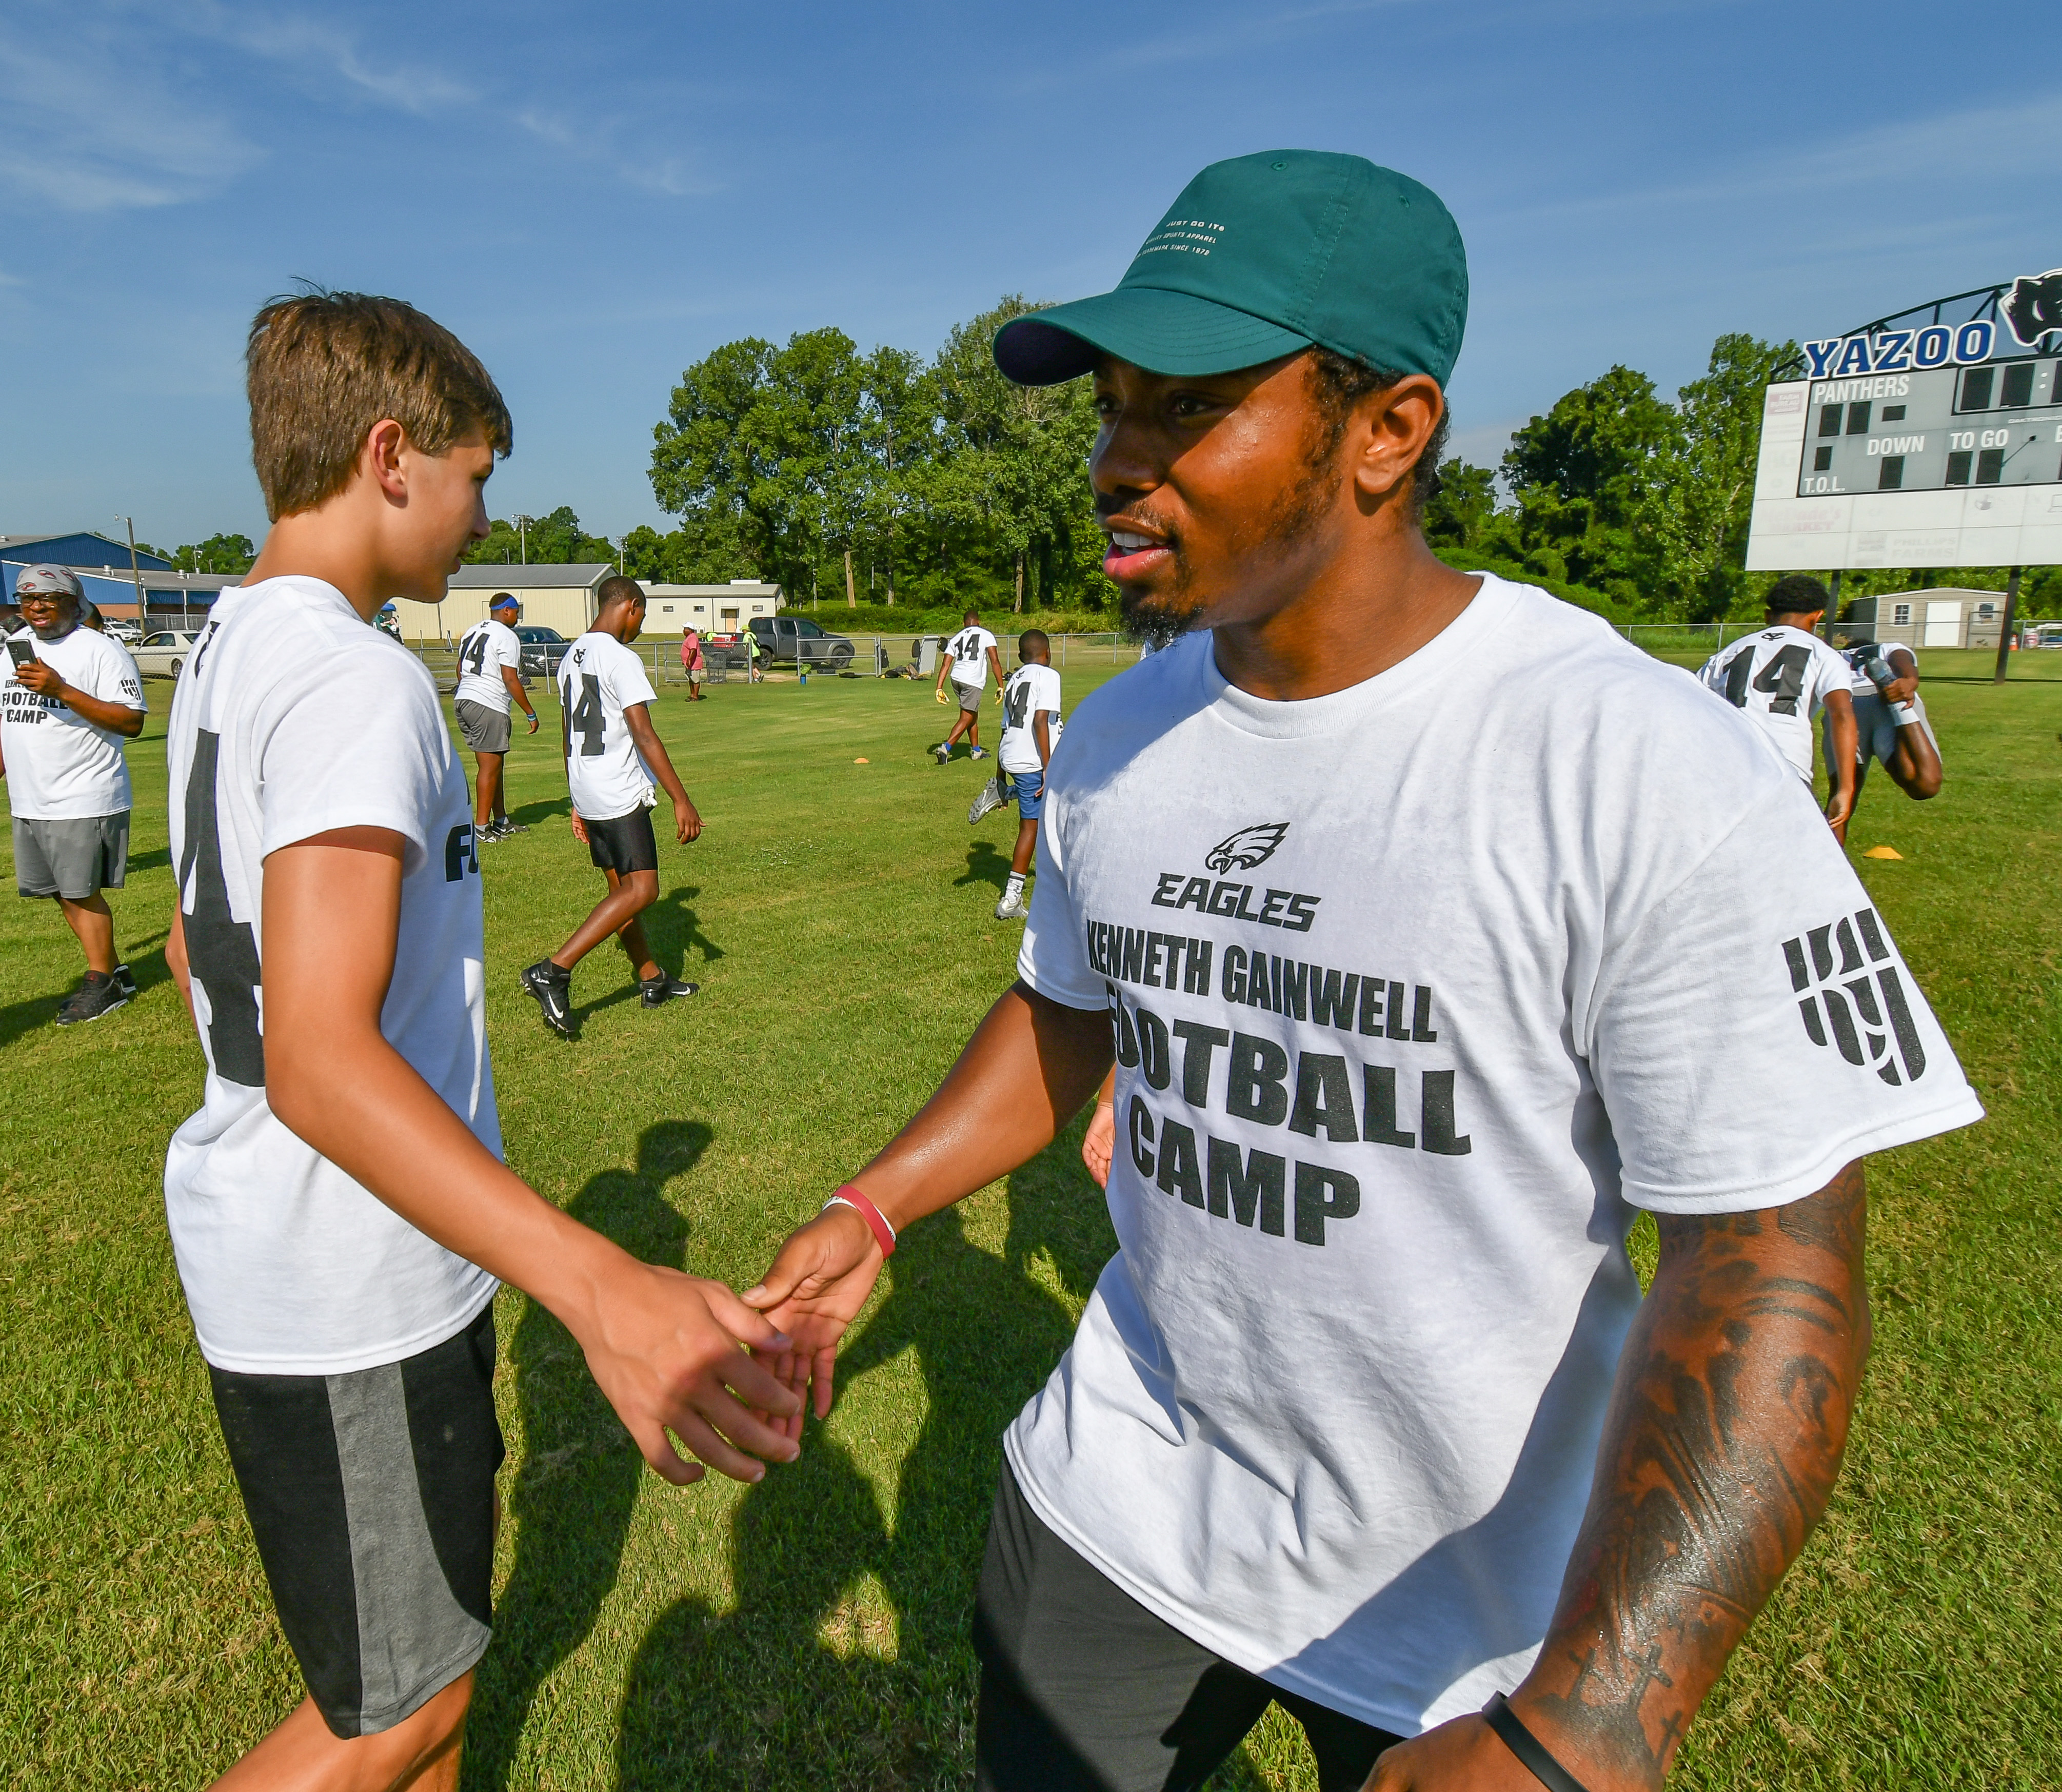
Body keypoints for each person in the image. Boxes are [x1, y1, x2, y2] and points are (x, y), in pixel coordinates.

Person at [740, 151, 1984, 1792]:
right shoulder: (1118, 742)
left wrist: (1591, 1723)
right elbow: (1064, 1012)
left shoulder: (1625, 759)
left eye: (1185, 410)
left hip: (1465, 1612)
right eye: (1114, 408)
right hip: (1120, 1508)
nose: (1116, 462)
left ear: (1386, 431)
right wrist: (875, 1203)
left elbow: (1769, 1265)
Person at [162, 289, 797, 1792]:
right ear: (392, 456)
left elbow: (201, 943)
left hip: (311, 1250)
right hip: (347, 1279)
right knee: (399, 1718)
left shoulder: (229, 643)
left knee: (427, 1671)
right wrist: (604, 1289)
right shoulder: (349, 676)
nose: (477, 522)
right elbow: (319, 1058)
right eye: (475, 482)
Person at [516, 575, 701, 1037]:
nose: (639, 627)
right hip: (618, 792)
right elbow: (644, 734)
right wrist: (682, 798)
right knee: (643, 891)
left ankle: (651, 978)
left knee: (621, 894)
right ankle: (553, 970)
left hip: (590, 789)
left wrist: (576, 799)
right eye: (642, 616)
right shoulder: (621, 657)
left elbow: (568, 738)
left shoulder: (570, 656)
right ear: (631, 607)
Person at [0, 564, 148, 1026]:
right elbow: (7, 720)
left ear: (74, 601)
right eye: (27, 600)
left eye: (49, 598)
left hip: (83, 793)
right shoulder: (13, 652)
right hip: (31, 798)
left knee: (80, 892)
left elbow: (132, 721)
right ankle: (112, 971)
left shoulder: (100, 651)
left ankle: (101, 981)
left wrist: (61, 689)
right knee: (60, 893)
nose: (37, 607)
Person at [1695, 576, 1860, 839]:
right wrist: (1845, 788)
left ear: (1767, 615)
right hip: (1785, 769)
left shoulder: (1726, 654)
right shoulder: (1824, 654)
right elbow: (1841, 715)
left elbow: (1693, 710)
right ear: (1817, 617)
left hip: (1722, 770)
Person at [976, 629, 1058, 921]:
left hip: (1010, 756)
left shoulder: (1014, 680)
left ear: (1022, 656)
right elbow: (1040, 721)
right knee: (1030, 828)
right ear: (1047, 654)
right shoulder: (1049, 676)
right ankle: (1011, 899)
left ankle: (1004, 791)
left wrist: (1000, 777)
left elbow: (1004, 729)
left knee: (1057, 806)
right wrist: (1049, 767)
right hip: (1032, 761)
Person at [453, 590, 538, 840]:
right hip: (487, 704)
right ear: (507, 611)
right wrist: (530, 713)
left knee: (494, 764)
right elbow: (510, 678)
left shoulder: (472, 631)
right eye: (517, 613)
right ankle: (481, 828)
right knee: (489, 768)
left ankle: (501, 821)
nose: (518, 619)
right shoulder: (507, 636)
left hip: (464, 700)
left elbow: (460, 669)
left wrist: (470, 690)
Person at [1844, 636, 1944, 803]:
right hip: (1890, 697)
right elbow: (1901, 658)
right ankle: (1894, 697)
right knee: (1925, 784)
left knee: (1843, 798)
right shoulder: (1886, 648)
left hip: (1849, 702)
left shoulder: (1832, 654)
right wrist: (1910, 680)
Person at [931, 611, 1003, 762]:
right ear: (978, 622)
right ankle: (946, 748)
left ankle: (976, 751)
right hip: (972, 681)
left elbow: (946, 664)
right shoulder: (986, 635)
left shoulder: (956, 637)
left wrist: (939, 687)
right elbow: (995, 661)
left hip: (956, 679)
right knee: (966, 717)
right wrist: (1000, 685)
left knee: (972, 715)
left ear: (964, 624)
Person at [680, 624, 708, 700]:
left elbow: (693, 650)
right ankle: (692, 695)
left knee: (695, 680)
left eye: (685, 629)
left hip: (694, 664)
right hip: (689, 664)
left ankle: (696, 697)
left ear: (690, 630)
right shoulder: (689, 637)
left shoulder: (692, 638)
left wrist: (689, 659)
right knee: (691, 679)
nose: (684, 631)